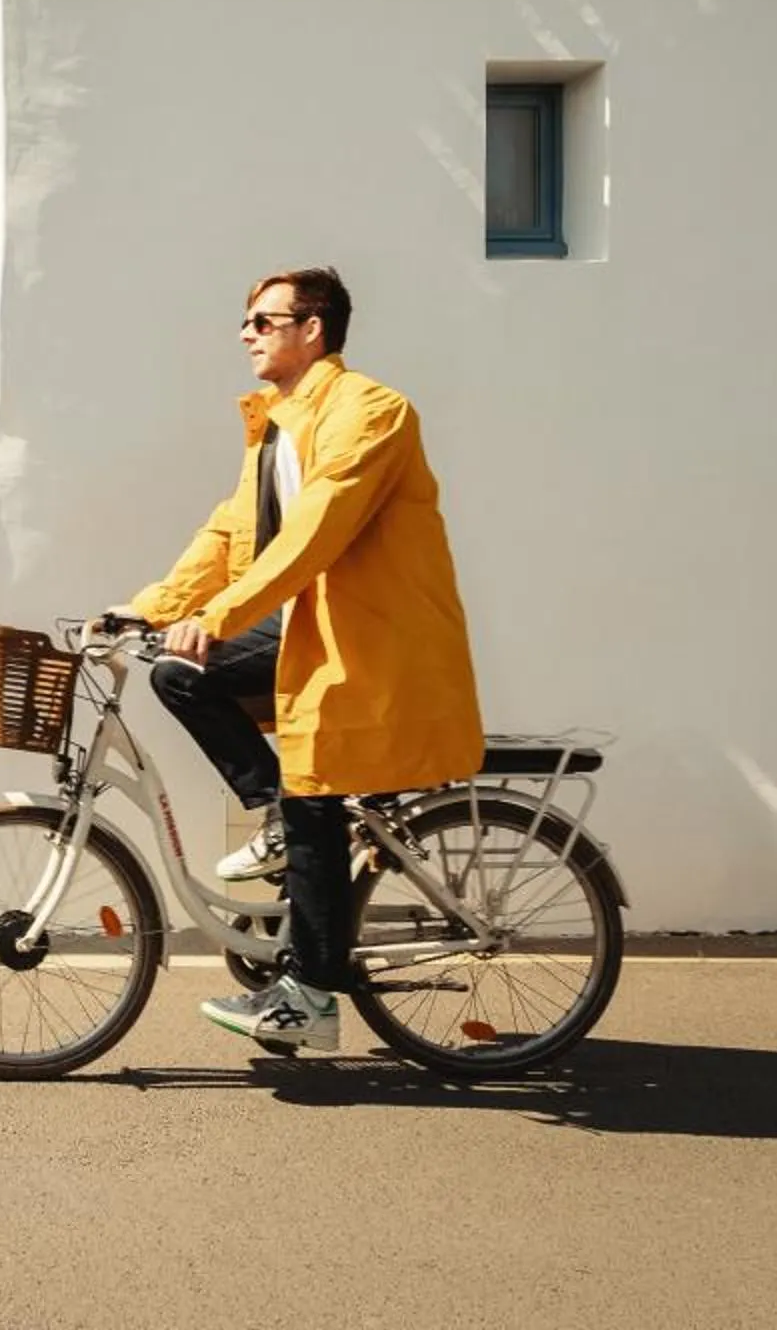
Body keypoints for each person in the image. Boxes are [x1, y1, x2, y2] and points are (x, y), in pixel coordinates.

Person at [112, 267, 481, 1053]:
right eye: (245, 321)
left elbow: (318, 532)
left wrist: (216, 616)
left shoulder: (370, 412)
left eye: (263, 320)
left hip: (367, 642)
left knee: (316, 793)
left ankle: (310, 995)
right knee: (180, 674)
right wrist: (153, 606)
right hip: (307, 630)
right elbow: (230, 534)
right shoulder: (276, 425)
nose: (246, 333)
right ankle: (278, 820)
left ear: (313, 329)